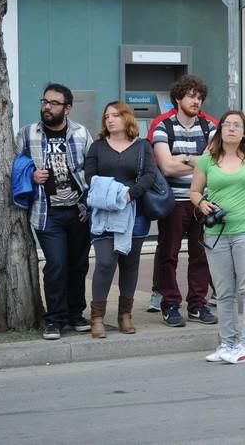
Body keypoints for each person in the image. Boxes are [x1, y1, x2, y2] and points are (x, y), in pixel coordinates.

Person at [190, 111, 245, 364]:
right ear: (220, 130)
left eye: (236, 125)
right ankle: (227, 343)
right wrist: (203, 204)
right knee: (224, 290)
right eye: (226, 124)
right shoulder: (208, 159)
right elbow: (194, 191)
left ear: (244, 132)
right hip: (217, 233)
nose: (231, 128)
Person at [16, 83, 94, 340]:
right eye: (45, 102)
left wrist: (88, 204)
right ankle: (55, 319)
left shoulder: (82, 133)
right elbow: (16, 167)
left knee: (78, 265)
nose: (47, 107)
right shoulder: (27, 134)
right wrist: (31, 174)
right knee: (57, 265)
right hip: (46, 213)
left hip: (78, 211)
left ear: (67, 108)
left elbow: (92, 171)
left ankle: (75, 313)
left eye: (54, 103)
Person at [149, 75, 217, 327]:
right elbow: (166, 167)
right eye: (190, 96)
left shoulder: (210, 126)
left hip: (202, 200)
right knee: (169, 254)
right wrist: (196, 159)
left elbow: (212, 165)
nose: (196, 101)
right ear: (178, 98)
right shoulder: (162, 126)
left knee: (201, 254)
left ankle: (198, 305)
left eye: (199, 97)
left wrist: (183, 158)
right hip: (174, 201)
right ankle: (169, 304)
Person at [85, 101, 157, 338]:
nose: (110, 120)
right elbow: (90, 177)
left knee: (130, 263)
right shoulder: (97, 147)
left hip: (133, 210)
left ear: (127, 118)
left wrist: (129, 194)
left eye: (115, 115)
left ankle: (125, 315)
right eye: (107, 116)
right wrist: (112, 194)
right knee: (105, 262)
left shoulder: (142, 146)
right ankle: (97, 317)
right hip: (104, 211)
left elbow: (149, 175)